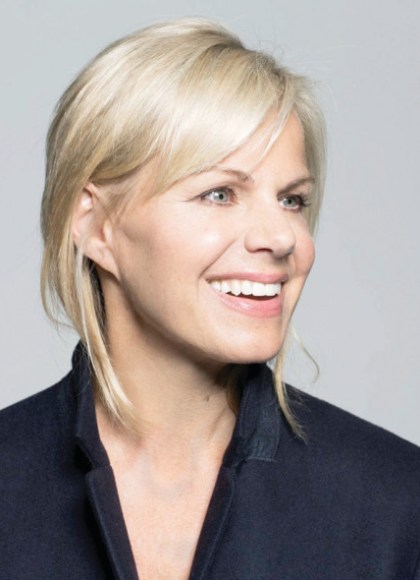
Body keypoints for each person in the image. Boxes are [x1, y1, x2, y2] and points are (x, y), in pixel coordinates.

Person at [1, 17, 419, 580]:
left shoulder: (396, 504)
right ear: (97, 225)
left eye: (292, 200)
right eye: (219, 193)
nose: (280, 237)